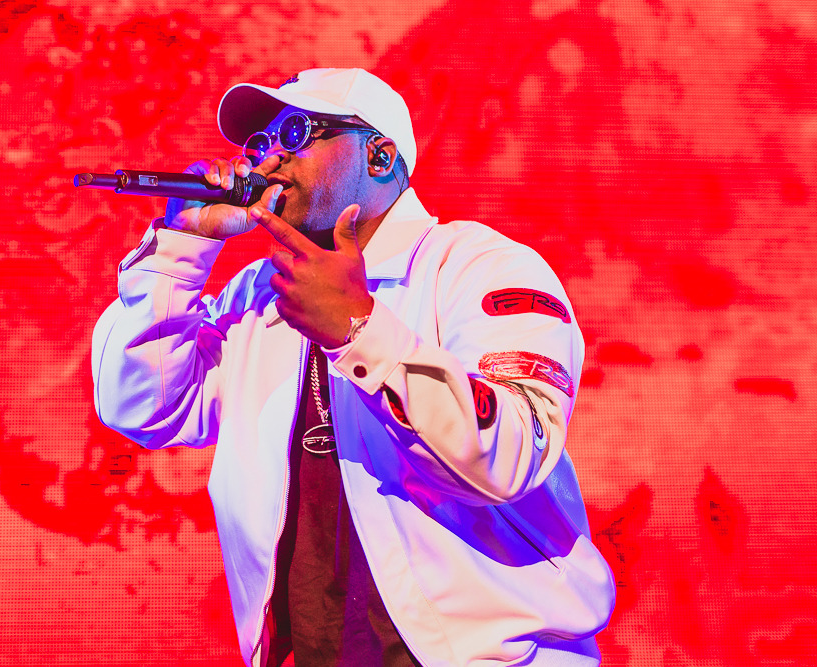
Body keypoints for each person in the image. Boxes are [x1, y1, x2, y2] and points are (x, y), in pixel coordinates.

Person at [91, 68, 615, 667]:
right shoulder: (260, 293)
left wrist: (359, 332)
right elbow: (143, 406)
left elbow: (511, 455)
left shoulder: (478, 267)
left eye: (296, 132)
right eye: (259, 143)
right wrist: (181, 246)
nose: (268, 159)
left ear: (380, 155)